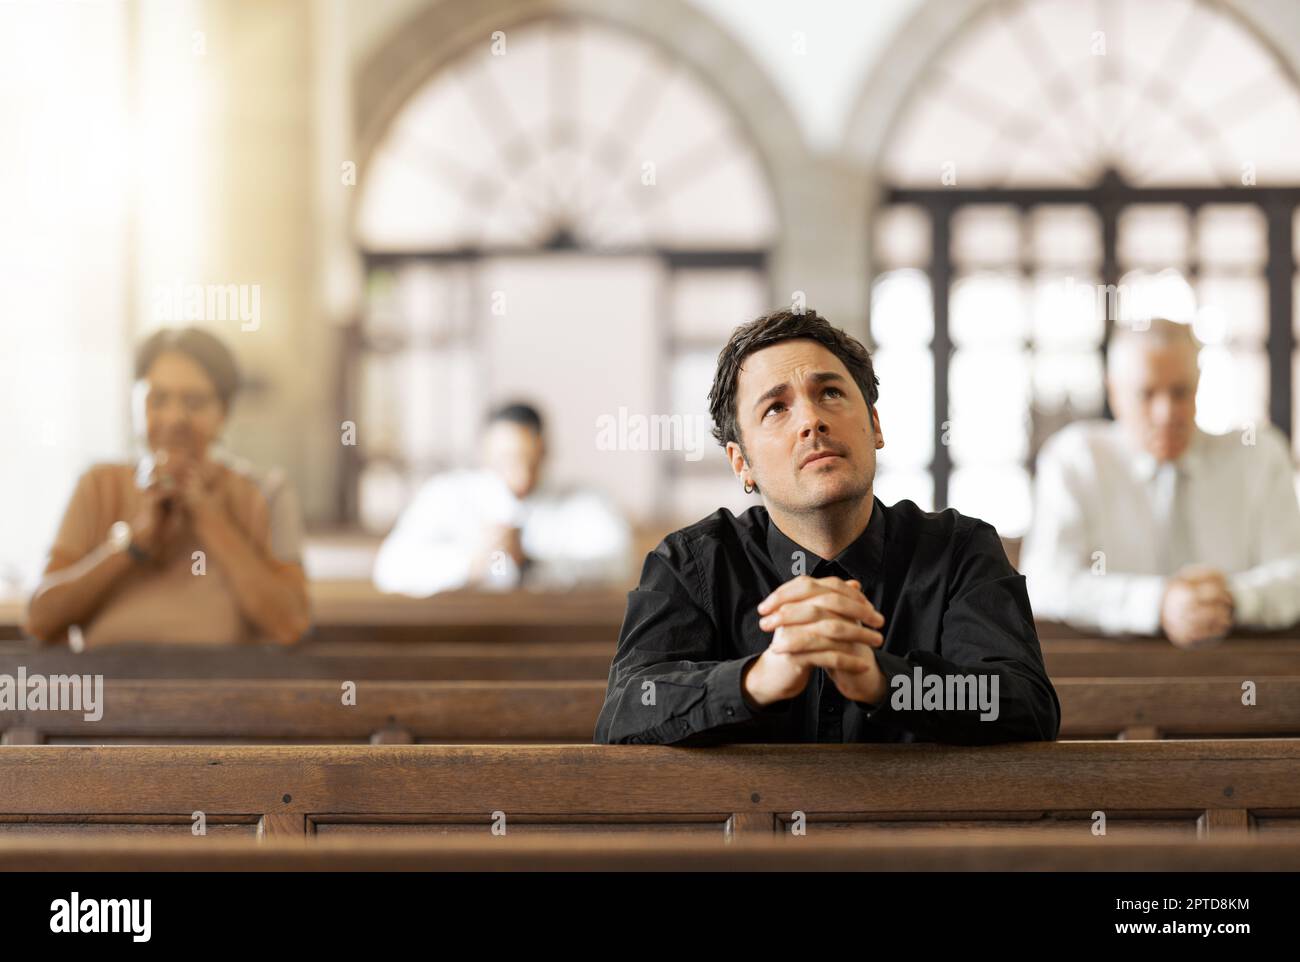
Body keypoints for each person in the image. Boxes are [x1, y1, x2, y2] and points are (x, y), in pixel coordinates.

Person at [595, 309, 1060, 745]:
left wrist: (885, 681)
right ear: (743, 464)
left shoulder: (959, 550)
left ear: (875, 426)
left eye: (830, 393)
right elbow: (624, 713)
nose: (812, 421)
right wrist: (758, 678)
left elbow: (1026, 705)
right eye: (776, 408)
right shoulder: (689, 564)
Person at [1020, 317, 1300, 647]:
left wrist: (1233, 599)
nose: (1166, 413)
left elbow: (1293, 573)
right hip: (1116, 680)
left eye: (1181, 392)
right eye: (1146, 394)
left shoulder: (1260, 457)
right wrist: (1157, 603)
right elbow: (1045, 583)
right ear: (1114, 392)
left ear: (1199, 385)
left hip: (1245, 676)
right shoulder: (1076, 460)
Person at [24, 327, 310, 648]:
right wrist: (134, 543)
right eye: (157, 399)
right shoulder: (98, 486)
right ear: (137, 406)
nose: (175, 418)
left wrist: (208, 517)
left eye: (194, 401)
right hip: (105, 695)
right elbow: (40, 619)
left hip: (223, 696)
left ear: (224, 412)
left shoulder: (265, 493)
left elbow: (290, 624)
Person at [373, 402, 631, 596]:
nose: (519, 473)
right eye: (506, 459)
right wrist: (471, 563)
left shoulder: (587, 502)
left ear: (544, 451)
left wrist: (531, 565)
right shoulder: (445, 494)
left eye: (528, 459)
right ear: (484, 453)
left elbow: (619, 566)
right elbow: (390, 569)